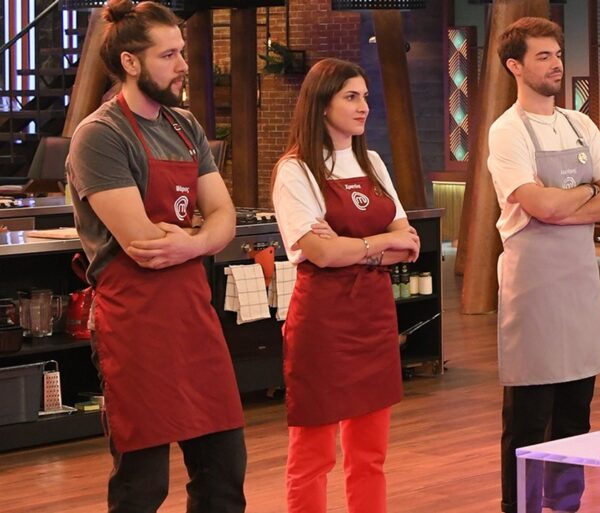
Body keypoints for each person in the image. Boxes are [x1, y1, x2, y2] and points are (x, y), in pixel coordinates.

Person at [65, 1, 246, 511]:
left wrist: (191, 241)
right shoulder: (101, 135)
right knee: (142, 487)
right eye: (168, 55)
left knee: (223, 476)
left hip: (193, 316)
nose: (183, 65)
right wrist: (200, 234)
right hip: (135, 324)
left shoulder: (185, 126)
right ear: (130, 62)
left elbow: (225, 217)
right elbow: (144, 246)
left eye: (181, 52)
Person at [487, 17, 600, 513]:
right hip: (533, 284)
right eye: (543, 56)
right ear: (515, 66)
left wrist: (566, 201)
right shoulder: (507, 131)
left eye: (557, 55)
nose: (556, 64)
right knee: (528, 415)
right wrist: (588, 192)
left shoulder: (579, 123)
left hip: (579, 282)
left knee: (575, 411)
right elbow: (538, 205)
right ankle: (520, 506)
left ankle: (566, 504)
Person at [271, 58, 420, 513]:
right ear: (322, 104)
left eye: (365, 97)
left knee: (370, 456)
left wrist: (354, 246)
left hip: (374, 317)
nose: (364, 107)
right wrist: (379, 244)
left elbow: (408, 242)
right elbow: (322, 253)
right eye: (351, 97)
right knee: (312, 456)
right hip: (323, 322)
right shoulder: (295, 170)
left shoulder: (371, 162)